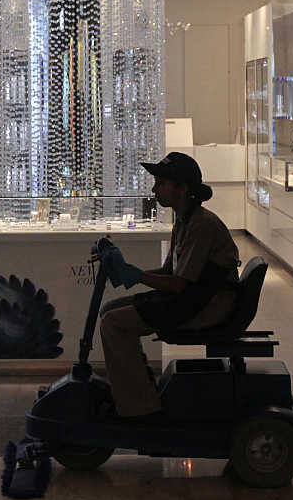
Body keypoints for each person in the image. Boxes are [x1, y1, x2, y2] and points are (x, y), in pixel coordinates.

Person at [99, 151, 240, 424]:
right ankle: (138, 392)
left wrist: (136, 275)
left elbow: (177, 284)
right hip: (192, 298)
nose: (154, 189)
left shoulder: (201, 225)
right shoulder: (185, 219)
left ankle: (140, 409)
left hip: (205, 306)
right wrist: (129, 272)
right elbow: (169, 272)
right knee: (111, 311)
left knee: (113, 323)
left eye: (161, 183)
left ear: (182, 188)